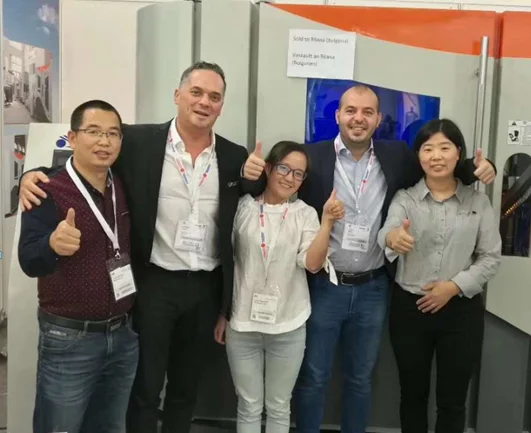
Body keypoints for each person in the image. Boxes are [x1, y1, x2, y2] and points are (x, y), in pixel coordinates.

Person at [18, 61, 261, 433]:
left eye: (214, 97)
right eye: (196, 92)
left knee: (186, 389)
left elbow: (249, 194)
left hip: (206, 287)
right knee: (144, 388)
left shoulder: (232, 155)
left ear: (221, 105)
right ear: (177, 95)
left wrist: (255, 180)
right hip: (153, 284)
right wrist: (31, 175)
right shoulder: (138, 140)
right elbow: (86, 161)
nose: (204, 102)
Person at [242, 84, 497, 433]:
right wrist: (249, 177)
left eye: (367, 112)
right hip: (325, 284)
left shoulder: (397, 156)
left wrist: (479, 168)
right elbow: (276, 183)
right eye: (350, 110)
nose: (358, 118)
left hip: (373, 288)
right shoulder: (313, 156)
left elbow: (439, 166)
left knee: (360, 379)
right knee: (314, 376)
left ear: (378, 119)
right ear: (338, 116)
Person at [18, 100, 138, 433]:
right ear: (72, 138)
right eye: (94, 132)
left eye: (112, 134)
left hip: (123, 336)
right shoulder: (47, 189)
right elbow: (29, 259)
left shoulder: (121, 183)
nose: (104, 141)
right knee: (60, 427)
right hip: (70, 339)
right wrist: (51, 244)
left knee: (110, 426)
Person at [377, 118, 501, 433]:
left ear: (458, 153)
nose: (436, 156)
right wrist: (393, 238)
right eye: (428, 148)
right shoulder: (405, 198)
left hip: (461, 311)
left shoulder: (478, 201)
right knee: (412, 395)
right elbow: (387, 231)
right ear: (418, 156)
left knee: (453, 401)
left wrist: (453, 287)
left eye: (445, 148)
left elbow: (490, 257)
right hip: (410, 309)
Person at [214, 141, 344, 433]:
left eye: (298, 174)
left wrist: (326, 224)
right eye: (284, 168)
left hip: (288, 324)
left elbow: (312, 264)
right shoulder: (243, 206)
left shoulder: (304, 214)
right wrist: (223, 312)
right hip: (242, 324)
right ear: (269, 168)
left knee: (278, 404)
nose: (289, 178)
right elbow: (226, 260)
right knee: (248, 404)